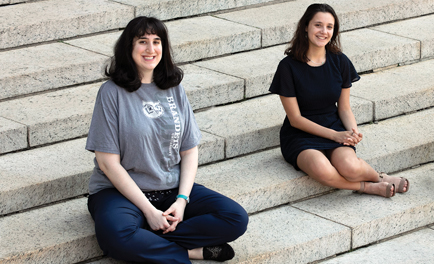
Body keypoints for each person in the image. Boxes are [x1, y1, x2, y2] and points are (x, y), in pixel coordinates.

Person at [85, 16, 247, 263]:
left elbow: (189, 150)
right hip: (119, 193)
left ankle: (148, 241)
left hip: (170, 189)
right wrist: (149, 211)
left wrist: (182, 200)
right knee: (117, 236)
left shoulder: (173, 88)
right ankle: (188, 253)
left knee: (235, 218)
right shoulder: (111, 93)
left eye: (157, 41)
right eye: (142, 42)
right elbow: (108, 164)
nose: (151, 49)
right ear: (128, 47)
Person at [269, 3, 409, 198]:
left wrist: (352, 132)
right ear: (305, 26)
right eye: (318, 25)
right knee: (323, 170)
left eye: (329, 27)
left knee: (350, 167)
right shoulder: (288, 67)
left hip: (334, 125)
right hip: (301, 135)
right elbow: (295, 119)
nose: (323, 31)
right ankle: (369, 185)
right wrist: (335, 135)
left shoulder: (339, 61)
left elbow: (344, 108)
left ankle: (379, 176)